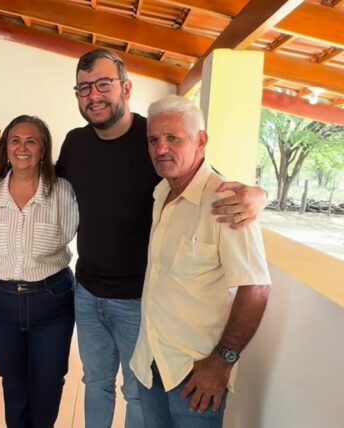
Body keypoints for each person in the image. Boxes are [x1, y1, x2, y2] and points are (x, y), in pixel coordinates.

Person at [55, 49, 268, 428]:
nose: (94, 95)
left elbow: (210, 180)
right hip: (86, 292)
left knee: (137, 393)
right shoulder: (75, 143)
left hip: (139, 301)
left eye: (103, 84)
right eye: (84, 88)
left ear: (126, 88)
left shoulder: (151, 137)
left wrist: (261, 195)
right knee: (96, 382)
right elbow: (49, 187)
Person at [129, 95, 271, 427]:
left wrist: (222, 363)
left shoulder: (226, 202)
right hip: (151, 362)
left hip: (196, 377)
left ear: (201, 141)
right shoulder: (161, 194)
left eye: (173, 138)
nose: (161, 148)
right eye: (153, 139)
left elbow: (256, 288)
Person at [0, 115, 78, 428]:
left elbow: (73, 232)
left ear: (43, 149)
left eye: (31, 141)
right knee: (13, 383)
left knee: (48, 383)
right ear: (6, 147)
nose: (22, 148)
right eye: (15, 140)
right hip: (1, 301)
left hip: (51, 300)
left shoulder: (62, 190)